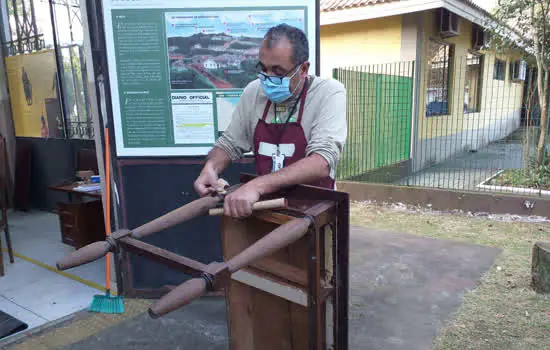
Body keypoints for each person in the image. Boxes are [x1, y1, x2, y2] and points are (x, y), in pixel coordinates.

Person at [194, 24, 347, 218]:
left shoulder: (328, 93)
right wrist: (211, 167)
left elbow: (322, 161)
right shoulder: (253, 91)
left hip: (314, 213)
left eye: (278, 71)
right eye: (264, 69)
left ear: (304, 69)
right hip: (265, 210)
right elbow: (230, 143)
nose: (269, 79)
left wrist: (256, 185)